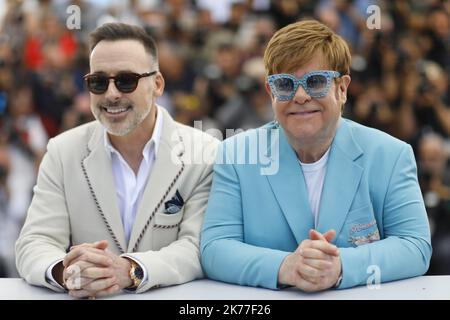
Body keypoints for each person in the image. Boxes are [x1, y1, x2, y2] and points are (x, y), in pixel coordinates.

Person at [201, 20, 432, 291]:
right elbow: (214, 249)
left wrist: (340, 266)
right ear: (270, 92)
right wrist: (287, 266)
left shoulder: (390, 154)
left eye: (316, 81)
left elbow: (415, 246)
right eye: (285, 84)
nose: (300, 95)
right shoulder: (236, 154)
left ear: (342, 89)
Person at [15, 22, 218, 298]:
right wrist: (68, 272)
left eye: (126, 80)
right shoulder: (63, 151)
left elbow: (199, 246)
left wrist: (131, 270)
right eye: (98, 82)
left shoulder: (205, 152)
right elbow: (35, 242)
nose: (111, 94)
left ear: (157, 84)